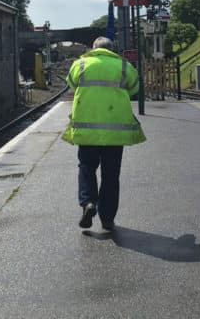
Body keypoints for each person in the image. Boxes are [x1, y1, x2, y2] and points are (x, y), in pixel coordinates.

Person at [62, 37, 146, 230]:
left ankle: (88, 202)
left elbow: (73, 85)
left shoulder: (80, 64)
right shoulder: (124, 66)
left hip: (87, 129)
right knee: (111, 174)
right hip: (115, 130)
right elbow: (134, 88)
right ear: (111, 49)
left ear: (94, 49)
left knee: (87, 166)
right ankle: (107, 217)